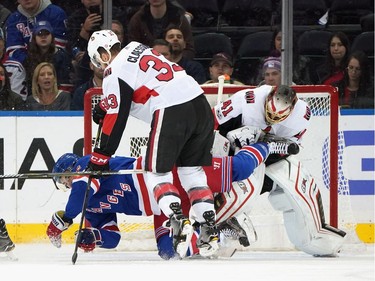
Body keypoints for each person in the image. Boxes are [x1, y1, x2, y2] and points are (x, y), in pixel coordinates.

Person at [86, 30, 218, 258]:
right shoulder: (136, 47)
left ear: (103, 54)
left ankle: (177, 219)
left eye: (98, 59)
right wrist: (107, 103)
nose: (100, 65)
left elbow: (118, 116)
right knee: (191, 172)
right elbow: (141, 84)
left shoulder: (112, 73)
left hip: (171, 108)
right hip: (199, 103)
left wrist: (101, 155)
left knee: (156, 173)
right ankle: (209, 227)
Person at [46, 139, 279, 258]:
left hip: (170, 175)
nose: (66, 183)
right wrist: (94, 236)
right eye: (64, 181)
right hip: (162, 208)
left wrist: (64, 220)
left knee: (238, 169)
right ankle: (221, 227)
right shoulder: (89, 207)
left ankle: (265, 144)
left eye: (65, 177)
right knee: (170, 252)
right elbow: (113, 238)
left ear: (71, 170)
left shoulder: (87, 165)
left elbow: (78, 196)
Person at [212, 84, 347, 257]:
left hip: (268, 155)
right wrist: (230, 140)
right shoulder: (246, 99)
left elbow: (291, 147)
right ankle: (215, 231)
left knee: (299, 186)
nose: (273, 118)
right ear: (267, 99)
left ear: (292, 109)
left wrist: (267, 145)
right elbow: (211, 122)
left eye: (279, 116)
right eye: (270, 113)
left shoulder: (301, 114)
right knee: (240, 192)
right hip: (236, 154)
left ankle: (319, 238)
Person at [3, 0, 67, 99]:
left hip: (56, 68)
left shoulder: (56, 13)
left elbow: (60, 47)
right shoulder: (13, 19)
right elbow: (13, 51)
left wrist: (43, 67)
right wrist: (33, 64)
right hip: (28, 70)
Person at [127, 0, 195, 59]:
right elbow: (132, 49)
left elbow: (189, 49)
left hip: (175, 66)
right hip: (147, 66)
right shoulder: (137, 20)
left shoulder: (180, 19)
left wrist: (175, 62)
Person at [23, 21, 74, 96]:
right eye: (40, 34)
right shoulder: (28, 59)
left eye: (46, 34)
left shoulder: (62, 56)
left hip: (58, 98)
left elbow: (66, 84)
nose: (43, 37)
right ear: (34, 38)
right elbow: (29, 84)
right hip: (34, 98)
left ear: (52, 37)